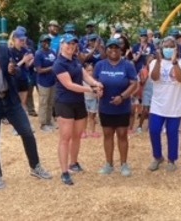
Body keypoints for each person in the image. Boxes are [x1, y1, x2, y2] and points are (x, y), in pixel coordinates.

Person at [0, 24, 52, 190]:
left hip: (10, 100)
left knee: (28, 133)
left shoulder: (3, 50)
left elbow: (16, 73)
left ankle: (35, 167)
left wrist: (13, 71)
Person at [52, 34, 103, 185]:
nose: (71, 46)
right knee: (65, 138)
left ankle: (73, 163)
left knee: (77, 135)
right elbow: (69, 85)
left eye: (74, 44)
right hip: (64, 103)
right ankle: (64, 172)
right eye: (68, 44)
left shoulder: (75, 60)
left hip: (78, 102)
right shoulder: (58, 64)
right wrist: (91, 90)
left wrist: (96, 83)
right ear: (62, 45)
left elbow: (85, 76)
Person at [94, 38, 138, 176]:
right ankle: (109, 164)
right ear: (106, 50)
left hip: (122, 107)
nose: (113, 50)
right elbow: (94, 82)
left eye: (116, 48)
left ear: (121, 50)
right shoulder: (100, 65)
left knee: (122, 134)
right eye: (110, 48)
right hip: (105, 107)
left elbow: (134, 83)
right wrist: (97, 90)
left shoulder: (127, 65)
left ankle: (124, 164)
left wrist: (123, 96)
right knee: (107, 135)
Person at [148, 36, 181, 172]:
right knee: (154, 131)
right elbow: (154, 77)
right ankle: (158, 157)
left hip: (175, 105)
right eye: (166, 46)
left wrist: (174, 63)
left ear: (176, 49)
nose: (168, 49)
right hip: (158, 105)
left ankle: (172, 159)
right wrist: (159, 62)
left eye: (172, 46)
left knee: (172, 133)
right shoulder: (154, 62)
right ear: (161, 48)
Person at [8, 29, 35, 135]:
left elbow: (27, 66)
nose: (22, 42)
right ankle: (16, 126)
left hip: (23, 78)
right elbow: (13, 67)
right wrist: (24, 60)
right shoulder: (10, 50)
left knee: (23, 103)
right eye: (20, 40)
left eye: (23, 40)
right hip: (14, 79)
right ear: (14, 39)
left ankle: (25, 124)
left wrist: (30, 60)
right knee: (16, 103)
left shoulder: (25, 50)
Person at [34, 34, 57, 132]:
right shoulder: (38, 54)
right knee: (44, 102)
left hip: (52, 81)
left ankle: (49, 121)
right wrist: (52, 67)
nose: (47, 43)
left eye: (48, 41)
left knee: (51, 102)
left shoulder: (52, 52)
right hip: (43, 82)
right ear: (41, 43)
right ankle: (43, 123)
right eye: (44, 41)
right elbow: (39, 70)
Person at [82, 63, 100, 138]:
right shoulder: (81, 80)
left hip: (93, 99)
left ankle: (92, 131)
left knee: (92, 116)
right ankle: (83, 131)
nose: (90, 72)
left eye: (92, 70)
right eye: (88, 70)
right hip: (84, 99)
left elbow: (98, 90)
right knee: (84, 116)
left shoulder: (95, 80)